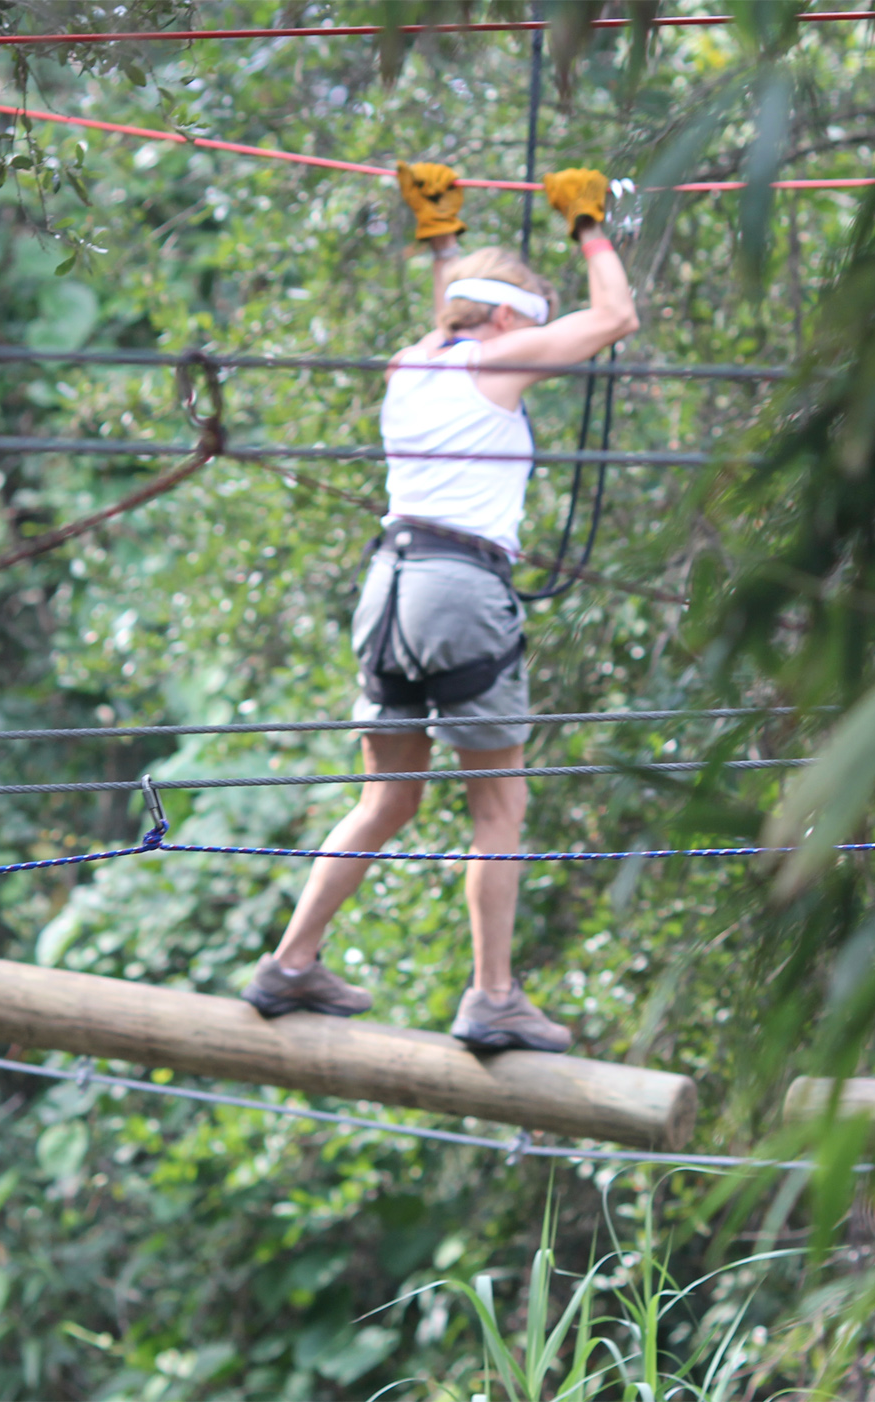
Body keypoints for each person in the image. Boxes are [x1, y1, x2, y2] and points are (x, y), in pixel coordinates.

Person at [241, 164, 638, 1052]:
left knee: (387, 797)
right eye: (529, 320)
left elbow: (452, 312)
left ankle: (292, 962)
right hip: (457, 590)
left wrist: (442, 238)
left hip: (387, 590)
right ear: (505, 321)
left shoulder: (413, 362)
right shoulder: (496, 354)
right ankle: (493, 994)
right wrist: (589, 227)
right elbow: (614, 319)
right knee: (498, 810)